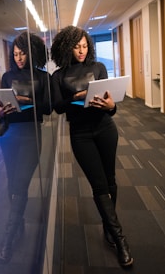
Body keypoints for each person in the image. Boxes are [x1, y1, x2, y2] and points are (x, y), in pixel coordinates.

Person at [50, 25, 133, 267]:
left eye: (85, 46)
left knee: (110, 180)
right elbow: (58, 107)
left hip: (105, 128)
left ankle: (109, 226)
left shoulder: (99, 68)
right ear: (67, 48)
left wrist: (111, 106)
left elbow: (111, 104)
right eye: (77, 47)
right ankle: (120, 240)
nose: (82, 51)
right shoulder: (58, 76)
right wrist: (76, 97)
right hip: (81, 134)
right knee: (98, 185)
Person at [0, 32, 52, 263]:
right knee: (12, 185)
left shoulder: (42, 76)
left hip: (31, 135)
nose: (19, 58)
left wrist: (28, 102)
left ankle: (8, 238)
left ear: (32, 52)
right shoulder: (7, 77)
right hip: (10, 135)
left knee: (20, 184)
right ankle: (19, 225)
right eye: (15, 54)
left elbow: (48, 109)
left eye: (23, 53)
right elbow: (0, 112)